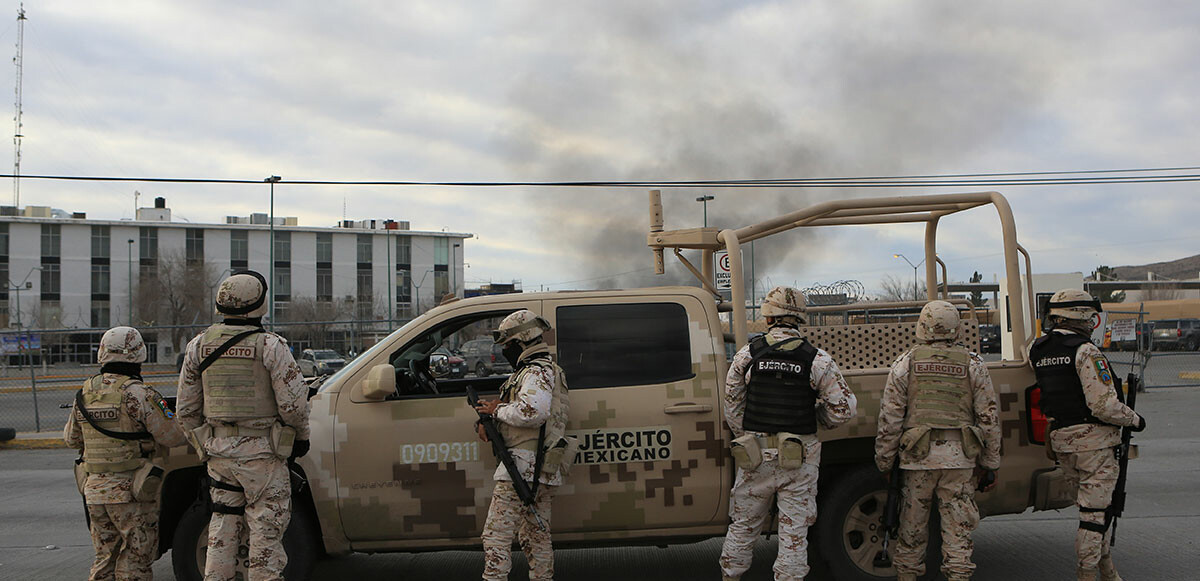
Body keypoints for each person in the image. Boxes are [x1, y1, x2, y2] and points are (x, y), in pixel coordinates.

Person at [176, 270, 310, 581]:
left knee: (222, 530)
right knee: (266, 534)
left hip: (220, 457)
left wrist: (204, 446)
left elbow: (186, 409)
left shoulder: (199, 346)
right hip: (263, 456)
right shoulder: (271, 346)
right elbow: (294, 406)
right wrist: (300, 439)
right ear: (260, 304)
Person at [719, 286, 858, 581]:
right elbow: (843, 409)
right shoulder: (817, 359)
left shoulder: (748, 355)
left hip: (755, 456)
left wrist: (748, 433)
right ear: (799, 320)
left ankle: (731, 576)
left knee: (743, 526)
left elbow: (731, 404)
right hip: (799, 458)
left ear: (768, 318)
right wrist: (814, 420)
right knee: (794, 534)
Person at [874, 300, 1002, 581]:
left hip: (917, 461)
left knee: (911, 531)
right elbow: (988, 417)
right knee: (958, 535)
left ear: (922, 326)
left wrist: (885, 462)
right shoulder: (974, 364)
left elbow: (890, 419)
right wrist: (990, 463)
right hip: (960, 460)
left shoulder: (905, 363)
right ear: (957, 329)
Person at [1029, 289, 1144, 581]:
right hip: (1093, 443)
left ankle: (1109, 573)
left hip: (1062, 442)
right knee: (1093, 519)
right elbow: (1103, 405)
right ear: (1081, 317)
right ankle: (1087, 574)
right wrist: (1136, 420)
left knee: (1094, 512)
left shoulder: (1038, 349)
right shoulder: (1085, 351)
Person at [64, 326, 188, 581]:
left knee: (104, 559)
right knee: (136, 560)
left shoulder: (84, 394)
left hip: (95, 491)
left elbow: (71, 439)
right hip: (131, 491)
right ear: (139, 355)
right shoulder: (140, 395)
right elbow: (173, 437)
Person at [474, 310, 571, 581]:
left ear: (522, 341)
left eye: (508, 345)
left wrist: (497, 411)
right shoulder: (546, 371)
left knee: (496, 537)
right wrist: (492, 417)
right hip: (540, 467)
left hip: (524, 467)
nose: (505, 350)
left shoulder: (536, 371)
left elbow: (532, 413)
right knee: (535, 536)